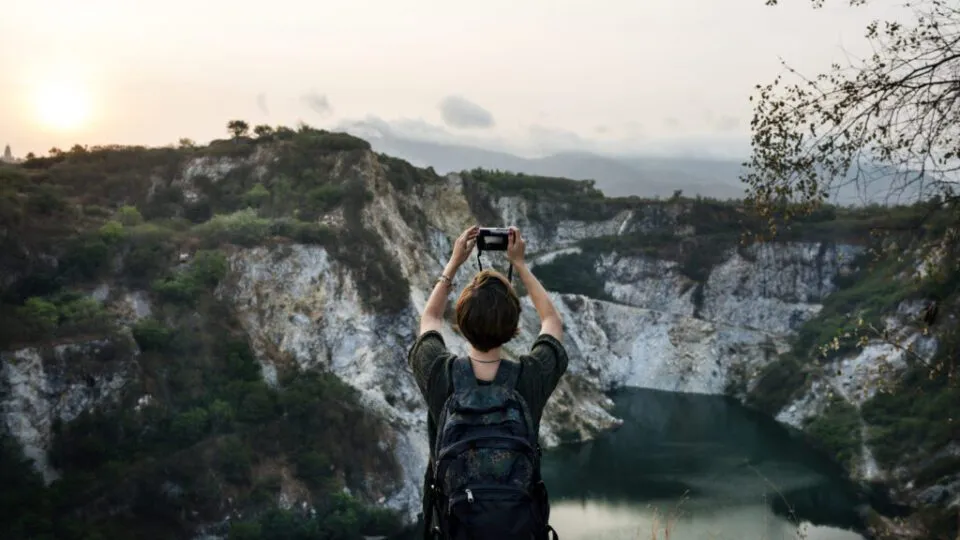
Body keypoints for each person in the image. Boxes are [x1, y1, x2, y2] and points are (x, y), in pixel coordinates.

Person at [407, 225, 567, 540]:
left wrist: (453, 264)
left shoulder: (440, 375)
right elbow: (551, 321)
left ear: (462, 322)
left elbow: (429, 319)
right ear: (514, 325)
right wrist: (520, 264)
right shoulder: (530, 378)